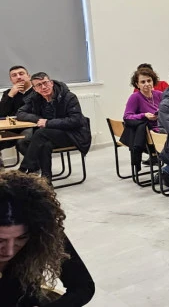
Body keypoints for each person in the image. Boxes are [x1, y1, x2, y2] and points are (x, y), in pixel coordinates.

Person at [0, 170, 94, 306]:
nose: (9, 251)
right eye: (0, 240)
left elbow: (83, 287)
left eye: (21, 238)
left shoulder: (41, 231)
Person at [16, 73, 91, 184]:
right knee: (44, 144)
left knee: (40, 133)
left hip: (73, 134)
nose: (43, 87)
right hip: (52, 135)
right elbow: (20, 113)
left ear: (51, 83)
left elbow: (76, 120)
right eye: (39, 85)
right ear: (35, 89)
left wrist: (48, 122)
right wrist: (39, 119)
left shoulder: (68, 97)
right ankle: (46, 181)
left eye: (45, 83)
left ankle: (23, 169)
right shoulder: (36, 98)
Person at [0, 66, 34, 169]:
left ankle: (34, 168)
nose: (18, 77)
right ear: (11, 80)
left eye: (21, 74)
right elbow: (1, 114)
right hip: (13, 128)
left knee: (23, 142)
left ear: (28, 76)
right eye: (14, 75)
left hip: (32, 127)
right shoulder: (8, 93)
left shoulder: (37, 90)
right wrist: (10, 95)